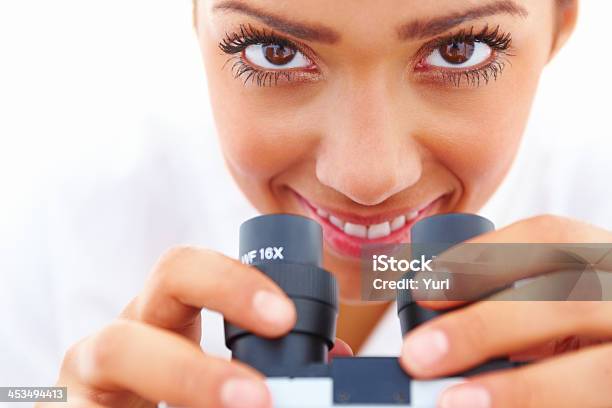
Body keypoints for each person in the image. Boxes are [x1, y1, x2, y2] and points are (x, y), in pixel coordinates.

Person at [38, 0, 612, 407]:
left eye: (460, 51)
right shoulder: (61, 222)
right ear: (196, 14)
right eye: (275, 51)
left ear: (560, 25)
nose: (366, 177)